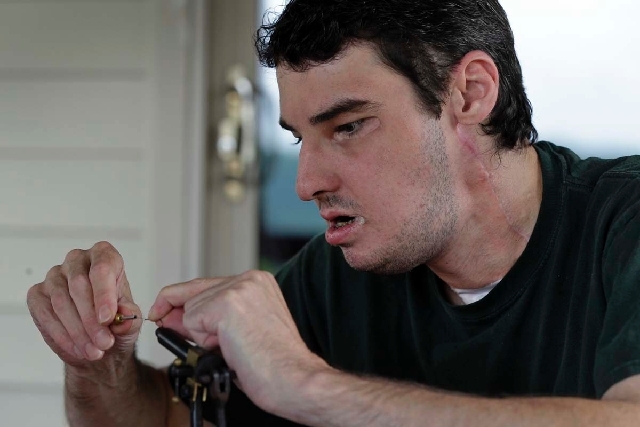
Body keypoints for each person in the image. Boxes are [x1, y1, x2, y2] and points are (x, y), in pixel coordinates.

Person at [26, 0, 640, 425]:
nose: (306, 184)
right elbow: (164, 418)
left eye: (348, 126)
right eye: (300, 138)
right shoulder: (345, 271)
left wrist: (308, 385)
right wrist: (100, 363)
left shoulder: (624, 220)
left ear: (470, 92)